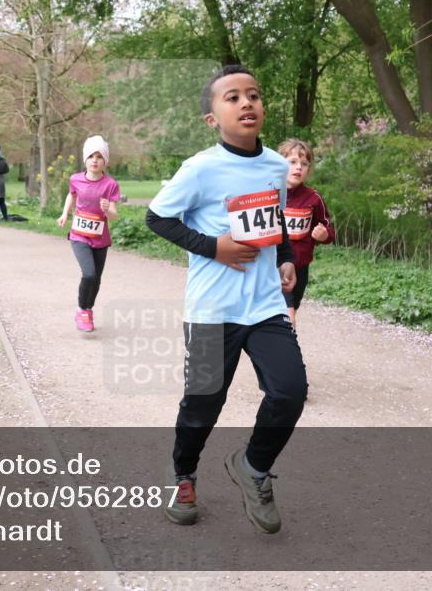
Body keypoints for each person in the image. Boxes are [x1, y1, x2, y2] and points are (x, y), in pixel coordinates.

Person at [146, 64, 307, 534]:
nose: (246, 103)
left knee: (290, 391)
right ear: (212, 118)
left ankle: (254, 467)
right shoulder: (200, 169)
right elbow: (158, 218)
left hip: (264, 306)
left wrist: (285, 256)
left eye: (253, 95)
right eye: (232, 97)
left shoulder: (277, 164)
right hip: (212, 310)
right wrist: (212, 246)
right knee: (203, 403)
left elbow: (273, 217)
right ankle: (184, 477)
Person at [56, 135, 120, 333]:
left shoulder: (110, 185)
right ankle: (82, 309)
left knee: (96, 279)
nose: (94, 160)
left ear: (105, 161)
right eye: (91, 156)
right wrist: (65, 213)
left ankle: (88, 309)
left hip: (100, 238)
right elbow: (71, 194)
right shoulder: (75, 179)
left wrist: (107, 208)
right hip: (79, 235)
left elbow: (114, 215)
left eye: (99, 156)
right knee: (89, 273)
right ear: (85, 159)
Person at [278, 138, 334, 328]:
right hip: (272, 266)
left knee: (287, 316)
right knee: (287, 315)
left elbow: (329, 229)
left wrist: (324, 235)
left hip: (300, 268)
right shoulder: (269, 193)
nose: (298, 168)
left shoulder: (313, 198)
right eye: (292, 162)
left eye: (304, 164)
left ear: (308, 170)